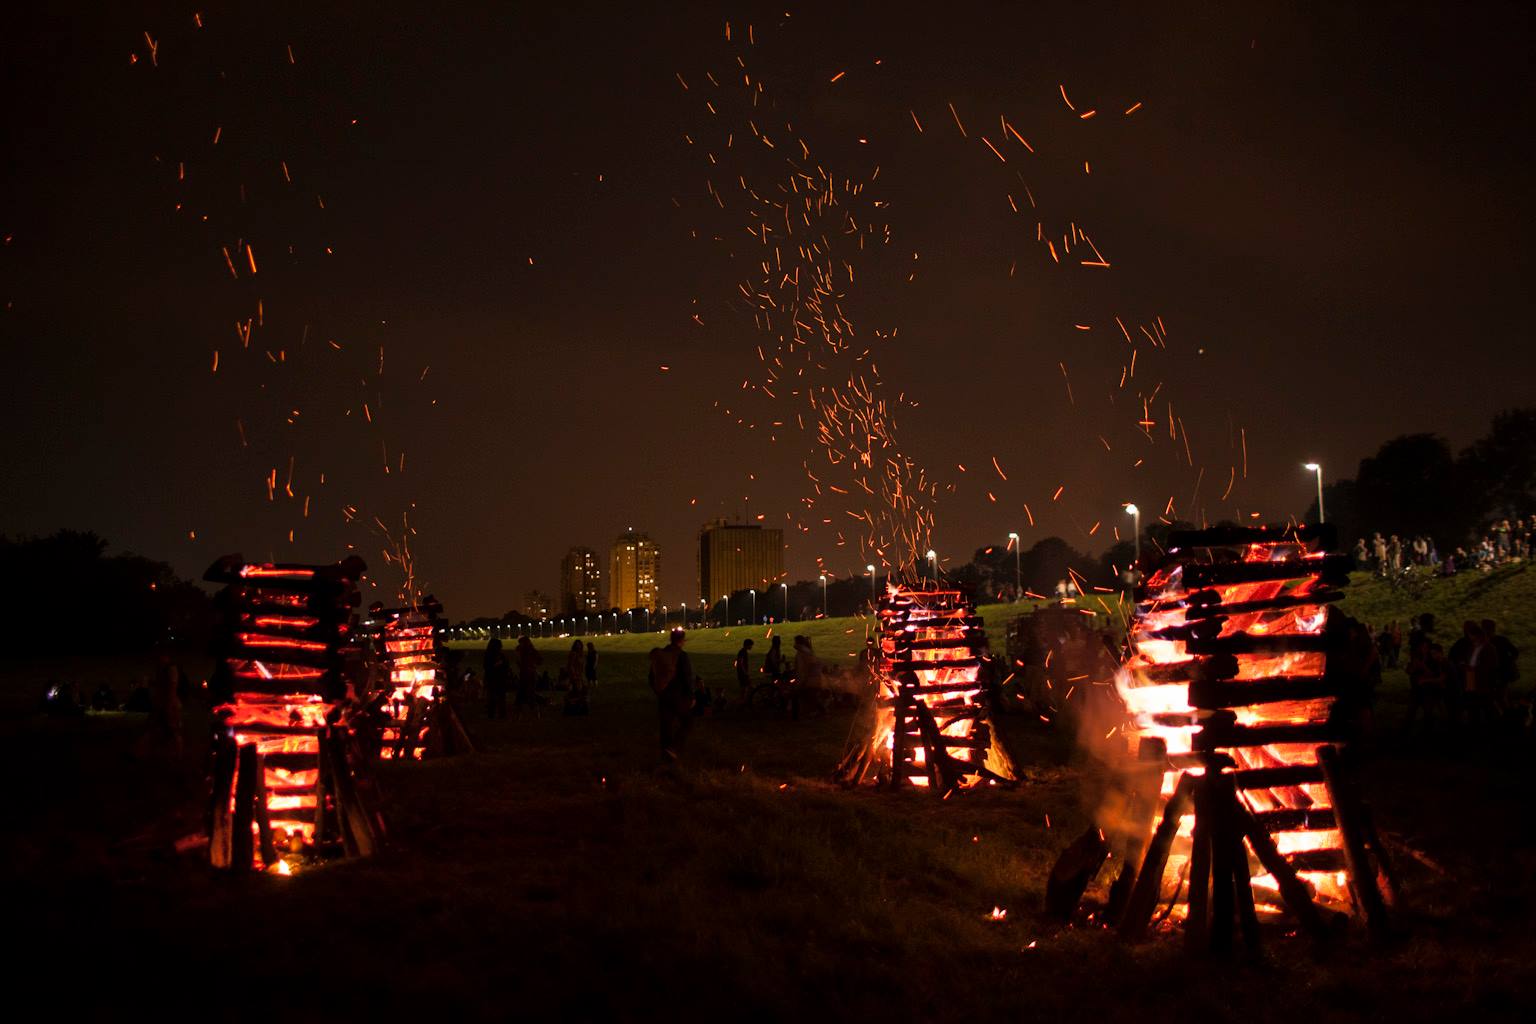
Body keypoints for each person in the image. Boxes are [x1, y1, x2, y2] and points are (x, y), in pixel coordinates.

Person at [652, 630, 696, 760]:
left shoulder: (661, 654)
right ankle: (673, 748)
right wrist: (691, 696)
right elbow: (687, 677)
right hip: (678, 695)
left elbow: (652, 675)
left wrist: (658, 690)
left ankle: (665, 753)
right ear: (682, 641)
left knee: (666, 725)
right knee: (688, 722)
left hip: (663, 695)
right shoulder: (681, 656)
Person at [514, 635, 542, 714]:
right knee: (525, 689)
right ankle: (526, 704)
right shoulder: (526, 650)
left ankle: (527, 704)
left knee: (528, 689)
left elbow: (539, 660)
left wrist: (532, 665)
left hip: (528, 672)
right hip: (527, 672)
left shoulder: (529, 650)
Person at [483, 637, 510, 719]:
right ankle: (496, 714)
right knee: (495, 697)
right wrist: (497, 665)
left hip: (497, 678)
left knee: (496, 697)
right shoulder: (492, 655)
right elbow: (487, 667)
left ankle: (496, 714)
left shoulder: (496, 655)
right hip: (495, 678)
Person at [564, 639, 590, 716]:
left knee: (583, 691)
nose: (578, 646)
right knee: (577, 691)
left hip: (581, 675)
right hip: (575, 676)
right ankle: (573, 707)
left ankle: (581, 707)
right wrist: (574, 675)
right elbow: (570, 665)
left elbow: (583, 665)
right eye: (577, 645)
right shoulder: (573, 654)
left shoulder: (581, 654)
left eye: (579, 645)